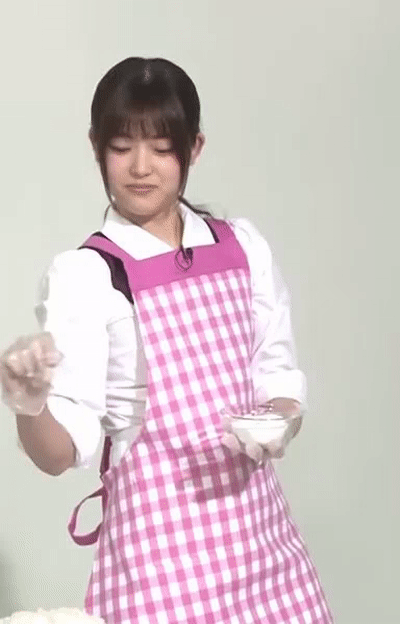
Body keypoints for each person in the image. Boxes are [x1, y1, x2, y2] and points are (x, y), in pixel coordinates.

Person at [0, 58, 333, 623]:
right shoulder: (88, 275)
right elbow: (58, 454)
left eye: (160, 147)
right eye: (121, 146)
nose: (140, 167)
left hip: (263, 546)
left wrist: (280, 420)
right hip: (160, 563)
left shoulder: (242, 248)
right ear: (96, 146)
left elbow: (277, 379)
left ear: (193, 148)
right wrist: (28, 403)